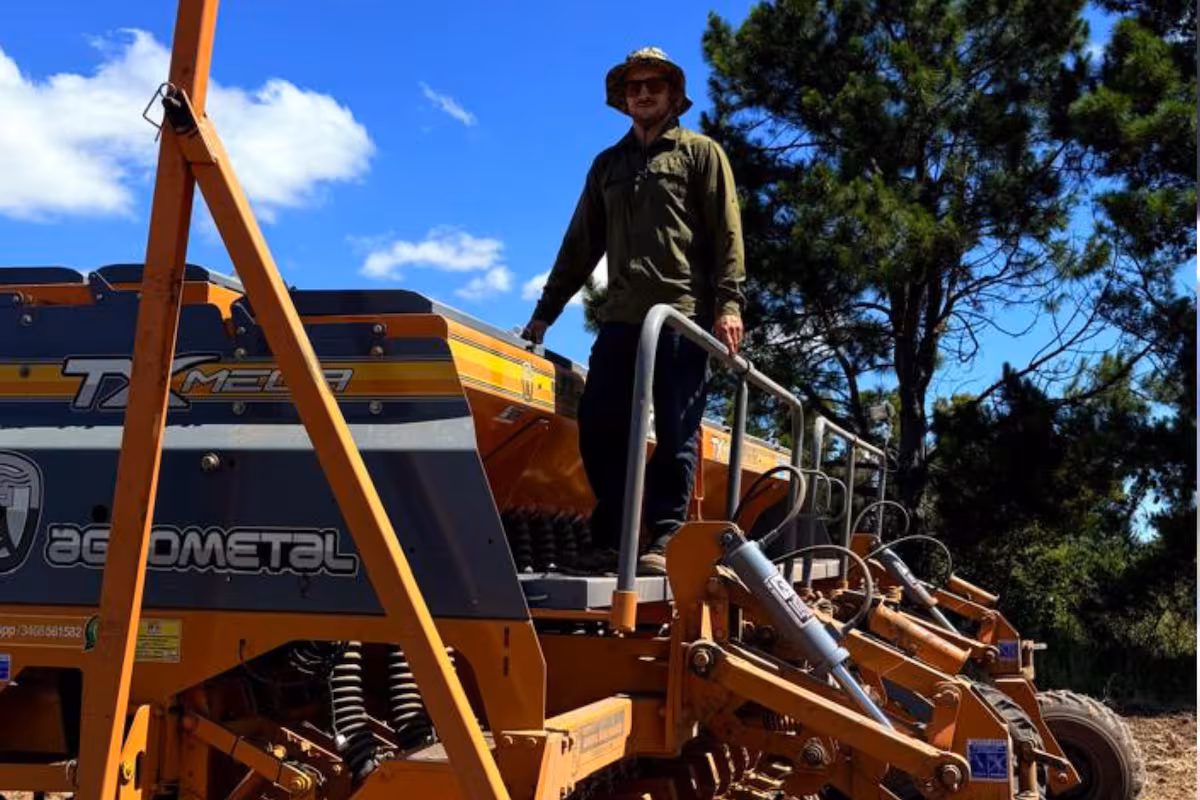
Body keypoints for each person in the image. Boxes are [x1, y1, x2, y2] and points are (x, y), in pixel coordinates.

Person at [521, 47, 746, 575]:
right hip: (622, 318)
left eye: (653, 85)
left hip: (681, 320)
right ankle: (613, 537)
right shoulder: (607, 166)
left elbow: (726, 235)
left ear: (672, 95)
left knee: (676, 429)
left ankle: (664, 539)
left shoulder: (700, 154)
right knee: (599, 421)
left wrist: (730, 305)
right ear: (623, 99)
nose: (642, 93)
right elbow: (579, 246)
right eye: (633, 86)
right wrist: (544, 314)